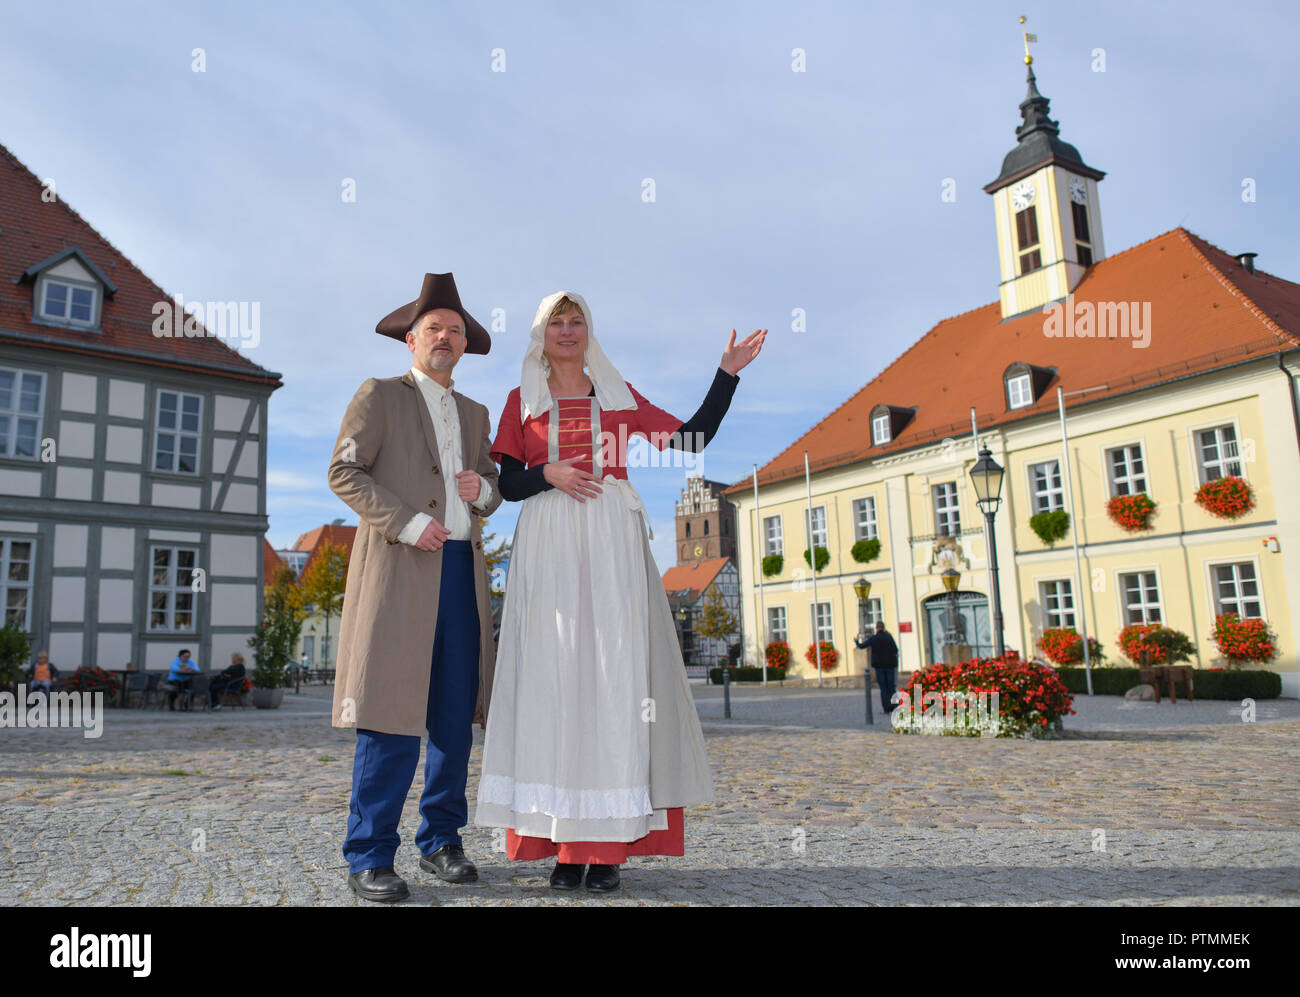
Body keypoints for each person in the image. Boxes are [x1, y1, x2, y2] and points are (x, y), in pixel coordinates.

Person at [475, 290, 765, 892]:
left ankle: (603, 847)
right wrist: (548, 472)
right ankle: (560, 842)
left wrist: (726, 377)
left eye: (576, 320)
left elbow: (688, 443)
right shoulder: (520, 401)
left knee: (611, 683)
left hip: (609, 538)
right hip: (550, 538)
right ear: (540, 334)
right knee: (554, 683)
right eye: (557, 322)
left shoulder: (616, 394)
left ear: (589, 331)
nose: (567, 330)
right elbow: (506, 480)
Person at [328, 272, 503, 904]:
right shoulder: (379, 395)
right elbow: (343, 471)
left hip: (462, 575)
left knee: (454, 719)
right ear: (410, 339)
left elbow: (491, 485)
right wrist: (407, 521)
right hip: (401, 570)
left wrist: (482, 491)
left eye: (455, 331)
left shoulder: (477, 413)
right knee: (390, 714)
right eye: (434, 328)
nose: (445, 338)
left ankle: (441, 842)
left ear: (465, 345)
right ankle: (370, 853)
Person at [855, 621, 899, 714]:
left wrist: (856, 641)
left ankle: (886, 709)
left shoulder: (873, 638)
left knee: (883, 689)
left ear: (876, 628)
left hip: (879, 667)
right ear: (884, 628)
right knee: (891, 688)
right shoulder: (889, 637)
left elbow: (861, 646)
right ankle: (895, 707)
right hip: (890, 666)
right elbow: (895, 649)